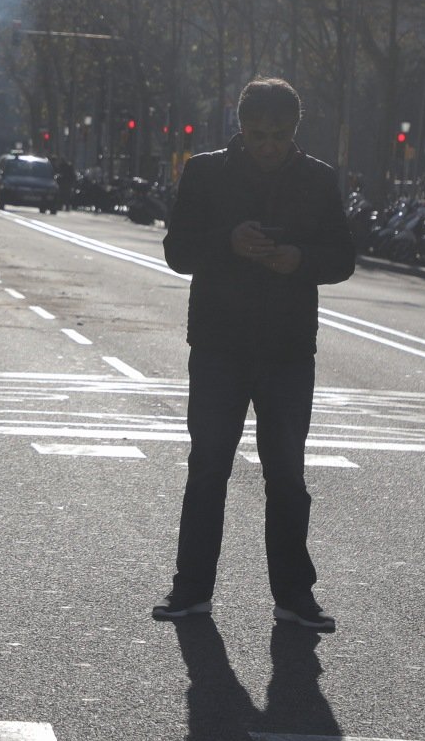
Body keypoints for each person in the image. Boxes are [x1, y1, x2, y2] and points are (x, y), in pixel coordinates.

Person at [152, 77, 355, 632]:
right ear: (239, 127)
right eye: (259, 134)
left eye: (280, 136)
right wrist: (228, 242)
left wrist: (298, 258)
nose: (269, 145)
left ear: (296, 131)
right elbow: (176, 251)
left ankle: (294, 595)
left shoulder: (317, 180)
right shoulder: (205, 171)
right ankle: (190, 589)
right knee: (207, 468)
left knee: (287, 475)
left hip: (287, 347)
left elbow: (342, 257)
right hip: (219, 344)